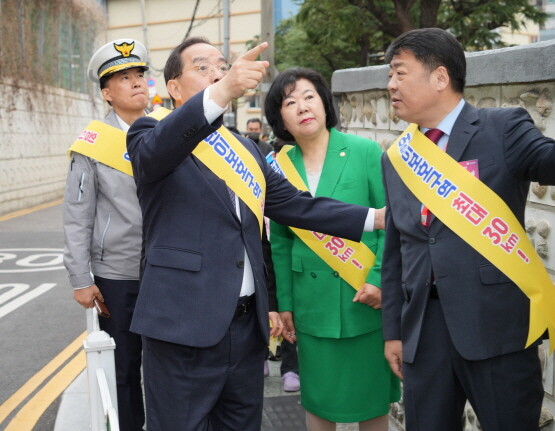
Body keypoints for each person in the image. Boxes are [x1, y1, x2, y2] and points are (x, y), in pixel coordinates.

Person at [126, 37, 385, 431]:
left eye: (222, 65)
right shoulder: (150, 133)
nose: (218, 72)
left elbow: (299, 206)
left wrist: (376, 218)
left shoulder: (246, 150)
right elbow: (155, 153)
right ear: (173, 88)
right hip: (183, 328)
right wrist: (224, 89)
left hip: (245, 332)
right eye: (202, 67)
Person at [381, 28, 555, 431]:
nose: (390, 85)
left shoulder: (502, 128)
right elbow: (396, 252)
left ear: (440, 77)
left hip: (496, 330)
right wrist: (394, 331)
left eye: (399, 73)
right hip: (424, 335)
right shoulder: (397, 157)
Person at [264, 67, 400, 430]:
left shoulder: (365, 151)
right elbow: (279, 242)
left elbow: (393, 223)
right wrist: (286, 305)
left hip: (364, 299)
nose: (302, 106)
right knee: (318, 404)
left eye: (309, 96)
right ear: (280, 118)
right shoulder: (277, 168)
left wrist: (380, 280)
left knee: (372, 407)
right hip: (313, 305)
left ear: (325, 103)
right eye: (289, 102)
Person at [63, 39, 149, 431]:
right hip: (118, 276)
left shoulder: (168, 131)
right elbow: (78, 214)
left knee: (173, 367)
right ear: (106, 93)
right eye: (124, 78)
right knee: (125, 369)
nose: (136, 84)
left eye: (140, 76)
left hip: (170, 270)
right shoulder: (93, 145)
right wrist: (81, 277)